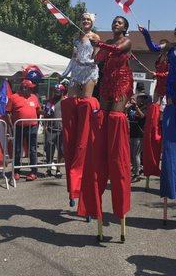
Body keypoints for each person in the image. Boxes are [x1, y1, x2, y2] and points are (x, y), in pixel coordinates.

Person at [79, 16, 134, 241]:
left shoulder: (127, 41)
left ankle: (116, 148)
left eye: (119, 23)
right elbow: (96, 59)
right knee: (103, 117)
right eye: (114, 22)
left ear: (125, 27)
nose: (116, 25)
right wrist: (89, 46)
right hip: (107, 83)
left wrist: (99, 43)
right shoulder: (106, 42)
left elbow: (114, 48)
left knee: (115, 117)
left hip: (122, 81)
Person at [140, 23, 176, 220]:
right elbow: (154, 48)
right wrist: (147, 34)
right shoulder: (171, 48)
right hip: (171, 87)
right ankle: (169, 186)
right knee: (170, 136)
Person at [60, 12, 100, 206]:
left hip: (89, 69)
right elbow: (73, 56)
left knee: (86, 101)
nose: (85, 22)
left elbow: (97, 56)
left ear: (92, 23)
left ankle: (86, 124)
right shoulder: (76, 37)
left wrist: (90, 62)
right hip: (77, 70)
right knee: (71, 99)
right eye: (83, 20)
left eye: (88, 20)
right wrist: (66, 72)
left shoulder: (95, 37)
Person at [139, 29, 170, 182]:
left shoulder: (171, 58)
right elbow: (152, 46)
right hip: (159, 90)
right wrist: (145, 34)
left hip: (168, 91)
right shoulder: (159, 58)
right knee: (154, 121)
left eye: (162, 45)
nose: (159, 47)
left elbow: (170, 74)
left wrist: (157, 74)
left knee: (164, 122)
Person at [7, 79, 42, 182]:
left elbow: (38, 110)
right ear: (24, 87)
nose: (32, 89)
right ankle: (17, 171)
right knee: (17, 150)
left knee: (33, 150)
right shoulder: (13, 97)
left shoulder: (34, 97)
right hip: (19, 127)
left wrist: (45, 111)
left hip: (32, 127)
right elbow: (8, 113)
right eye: (30, 88)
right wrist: (12, 125)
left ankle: (33, 172)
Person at [43, 84, 66, 178]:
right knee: (49, 150)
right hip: (50, 130)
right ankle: (48, 169)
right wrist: (45, 127)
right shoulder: (50, 101)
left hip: (61, 130)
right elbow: (45, 115)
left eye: (59, 91)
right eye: (55, 91)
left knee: (61, 150)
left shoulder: (66, 101)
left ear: (62, 91)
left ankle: (58, 170)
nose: (56, 93)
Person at [127, 93, 148, 183]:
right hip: (132, 133)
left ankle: (137, 174)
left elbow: (142, 116)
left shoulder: (145, 108)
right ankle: (135, 170)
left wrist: (136, 107)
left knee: (136, 155)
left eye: (139, 98)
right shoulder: (132, 107)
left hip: (139, 135)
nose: (137, 99)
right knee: (132, 155)